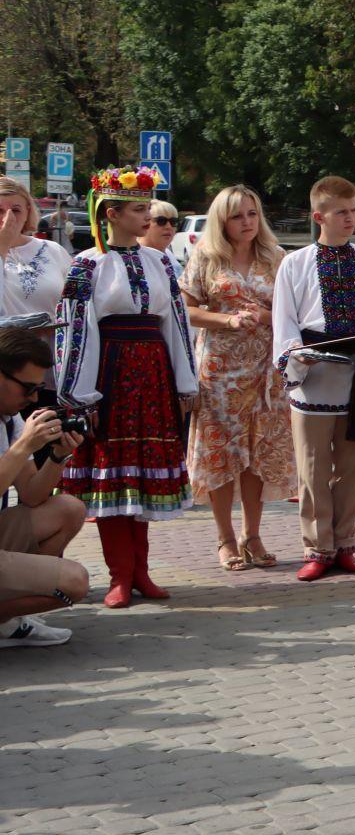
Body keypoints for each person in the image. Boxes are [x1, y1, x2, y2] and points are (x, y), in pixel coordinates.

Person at [54, 164, 196, 608]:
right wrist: (79, 392)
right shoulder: (86, 264)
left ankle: (142, 572)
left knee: (141, 473)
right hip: (109, 375)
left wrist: (185, 380)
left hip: (153, 374)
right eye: (139, 210)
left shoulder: (160, 261)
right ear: (111, 213)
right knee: (112, 473)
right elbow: (77, 330)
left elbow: (176, 320)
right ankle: (119, 574)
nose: (147, 218)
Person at [272, 176, 355, 581]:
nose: (350, 218)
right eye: (341, 212)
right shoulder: (295, 263)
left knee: (350, 466)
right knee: (312, 469)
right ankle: (317, 548)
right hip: (312, 376)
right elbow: (285, 320)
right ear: (318, 216)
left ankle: (345, 544)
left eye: (354, 210)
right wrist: (296, 355)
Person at [181, 185, 296, 572]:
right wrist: (226, 319)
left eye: (251, 213)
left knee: (256, 452)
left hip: (264, 370)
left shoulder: (276, 256)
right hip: (220, 369)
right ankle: (225, 538)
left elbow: (292, 309)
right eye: (237, 216)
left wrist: (265, 317)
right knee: (221, 453)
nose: (246, 222)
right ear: (221, 221)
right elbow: (186, 307)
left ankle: (253, 533)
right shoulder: (207, 257)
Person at [0, 329, 90, 647]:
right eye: (28, 389)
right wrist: (23, 447)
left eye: (38, 389)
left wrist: (57, 456)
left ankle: (7, 623)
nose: (34, 399)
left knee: (68, 508)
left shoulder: (8, 421)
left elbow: (32, 495)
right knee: (73, 581)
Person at [0, 177, 71, 328]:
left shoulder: (53, 250)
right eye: (0, 211)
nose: (8, 218)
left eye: (16, 210)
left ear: (27, 213)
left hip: (49, 347)